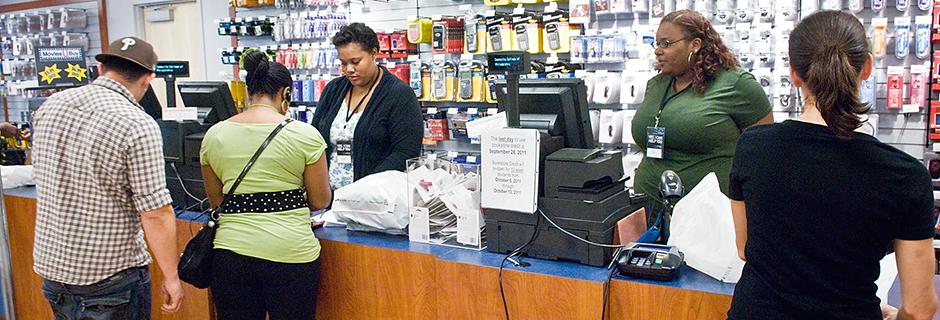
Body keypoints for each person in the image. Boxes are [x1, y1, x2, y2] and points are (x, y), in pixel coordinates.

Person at [728, 10, 937, 320]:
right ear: (866, 67)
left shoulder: (754, 146)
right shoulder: (905, 175)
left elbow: (746, 248)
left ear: (794, 74)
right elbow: (919, 310)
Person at [31, 37, 182, 319]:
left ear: (101, 70)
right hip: (110, 279)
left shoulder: (51, 106)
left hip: (54, 272)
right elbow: (155, 213)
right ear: (148, 79)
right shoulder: (136, 123)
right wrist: (171, 277)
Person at [200, 49, 331, 320]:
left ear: (248, 91)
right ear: (285, 94)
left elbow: (216, 202)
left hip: (231, 254)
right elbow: (320, 200)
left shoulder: (215, 135)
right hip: (290, 253)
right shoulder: (305, 135)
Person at [630, 10, 772, 227]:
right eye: (656, 44)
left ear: (695, 45)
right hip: (648, 214)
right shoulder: (657, 85)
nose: (658, 51)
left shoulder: (735, 84)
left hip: (708, 223)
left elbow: (764, 152)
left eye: (666, 43)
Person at [312, 22, 422, 190]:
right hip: (330, 199)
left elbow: (405, 152)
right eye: (343, 63)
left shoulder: (399, 95)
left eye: (355, 62)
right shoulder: (333, 89)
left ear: (373, 53)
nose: (349, 69)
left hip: (374, 201)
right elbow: (315, 138)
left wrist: (365, 189)